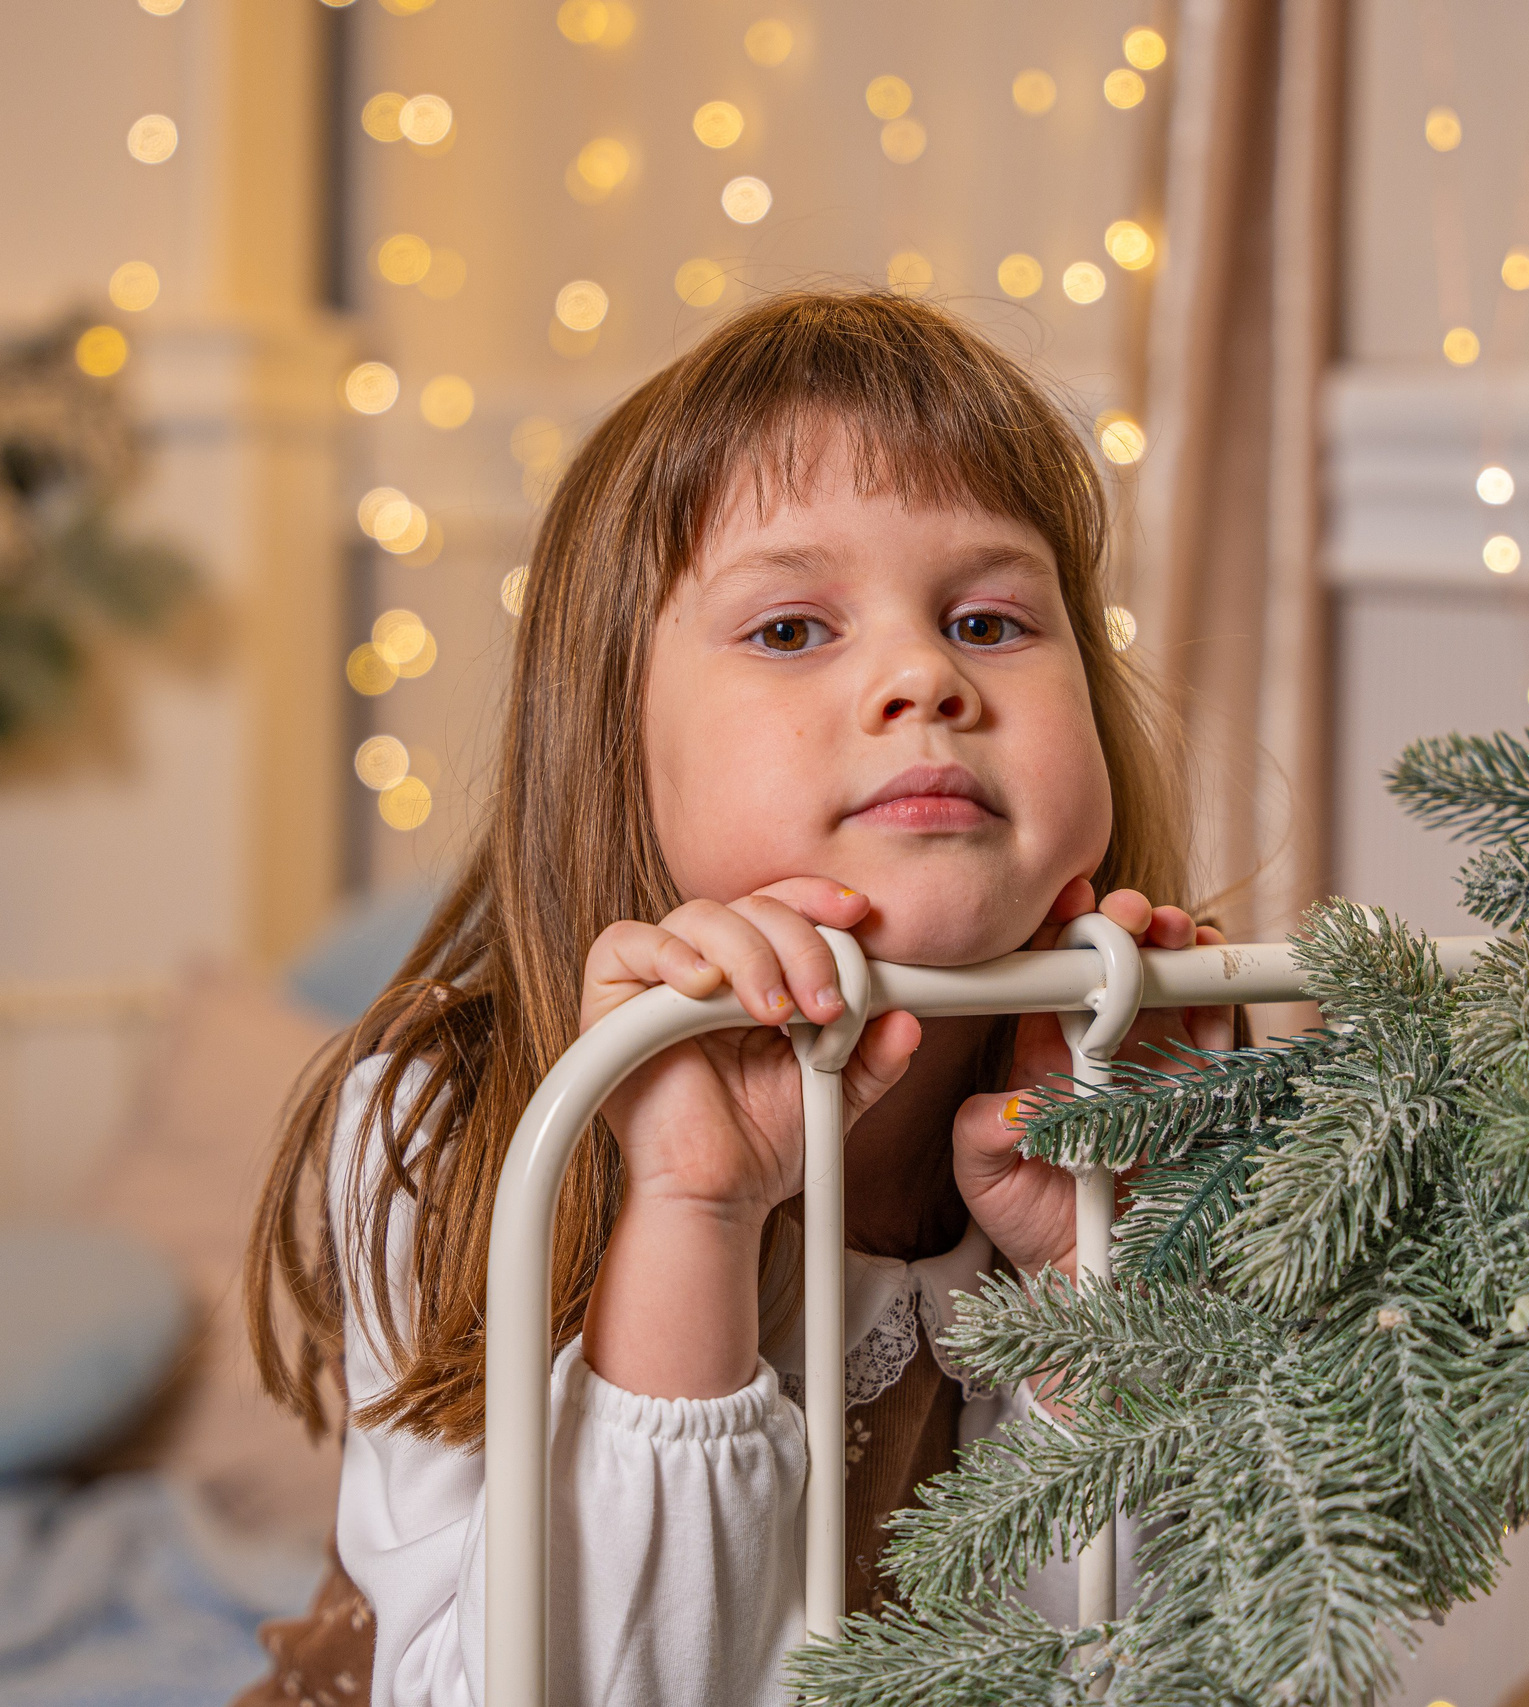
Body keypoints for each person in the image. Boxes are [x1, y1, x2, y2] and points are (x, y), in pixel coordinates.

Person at [242, 290, 1233, 1707]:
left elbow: (1190, 1667)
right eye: (788, 629)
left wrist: (1095, 1299)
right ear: (615, 749)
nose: (923, 675)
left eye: (990, 617)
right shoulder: (446, 1131)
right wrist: (693, 1216)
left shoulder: (1164, 1093)